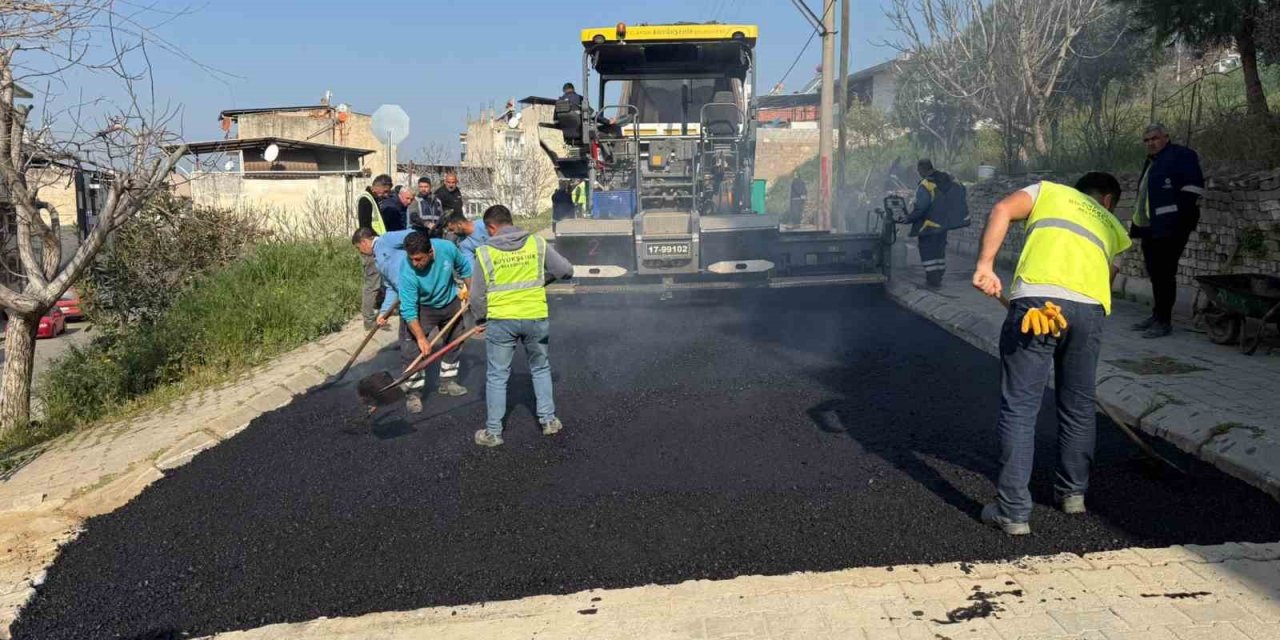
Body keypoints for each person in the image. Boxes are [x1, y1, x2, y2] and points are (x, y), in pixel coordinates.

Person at [971, 172, 1133, 536]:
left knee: (1020, 407)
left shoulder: (1049, 192)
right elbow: (1106, 278)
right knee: (1079, 407)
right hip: (1089, 312)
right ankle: (1073, 495)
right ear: (1108, 201)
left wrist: (985, 266)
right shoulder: (1113, 226)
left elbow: (1001, 209)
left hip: (1037, 305)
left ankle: (1013, 512)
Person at [470, 205, 574, 447]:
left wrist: (481, 319)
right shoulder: (536, 243)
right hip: (534, 316)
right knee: (540, 368)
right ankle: (548, 421)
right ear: (511, 221)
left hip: (501, 320)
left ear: (491, 227)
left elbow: (476, 296)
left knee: (497, 376)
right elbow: (565, 270)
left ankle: (494, 433)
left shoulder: (484, 252)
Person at [1129, 123, 1205, 339]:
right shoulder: (1152, 161)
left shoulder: (1181, 155)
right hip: (1149, 227)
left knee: (1165, 273)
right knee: (1155, 272)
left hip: (1171, 228)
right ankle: (1156, 315)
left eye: (1154, 138)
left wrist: (1178, 219)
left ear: (1166, 137)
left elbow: (1193, 188)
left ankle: (1164, 321)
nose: (1150, 143)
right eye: (1146, 140)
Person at [399, 231, 474, 413]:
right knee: (412, 350)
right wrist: (421, 338)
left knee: (454, 342)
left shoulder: (447, 248)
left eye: (418, 259)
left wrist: (472, 292)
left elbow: (465, 268)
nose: (414, 263)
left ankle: (448, 381)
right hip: (422, 307)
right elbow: (408, 309)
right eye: (411, 259)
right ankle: (413, 392)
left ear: (431, 252)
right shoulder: (407, 270)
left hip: (449, 301)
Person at [906, 159, 969, 288]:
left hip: (928, 226)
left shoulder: (926, 184)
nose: (919, 173)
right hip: (943, 225)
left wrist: (908, 218)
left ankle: (932, 281)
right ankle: (938, 277)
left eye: (919, 171)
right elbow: (962, 191)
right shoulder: (948, 179)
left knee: (928, 253)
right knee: (939, 252)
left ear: (922, 169)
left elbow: (921, 207)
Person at [357, 174, 393, 329]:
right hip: (370, 248)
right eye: (385, 191)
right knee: (372, 284)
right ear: (377, 186)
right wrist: (378, 240)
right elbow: (365, 226)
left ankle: (383, 310)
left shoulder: (373, 199)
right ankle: (369, 320)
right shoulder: (366, 200)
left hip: (376, 246)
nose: (385, 195)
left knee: (381, 281)